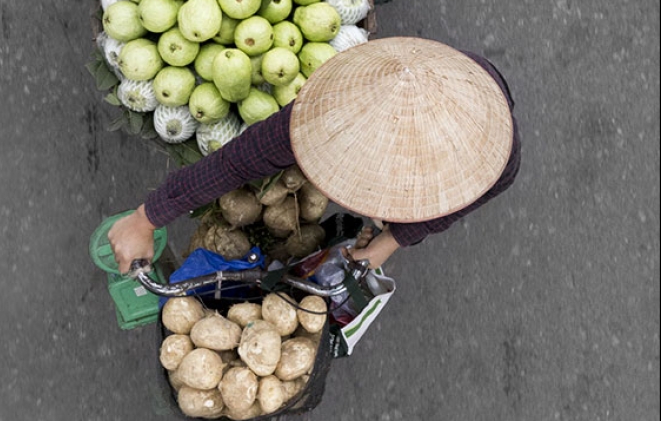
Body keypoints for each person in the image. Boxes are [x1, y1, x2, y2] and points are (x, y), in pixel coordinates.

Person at [107, 36, 521, 274]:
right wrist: (147, 217)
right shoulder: (327, 112)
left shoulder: (494, 157)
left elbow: (453, 205)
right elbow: (232, 164)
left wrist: (392, 240)